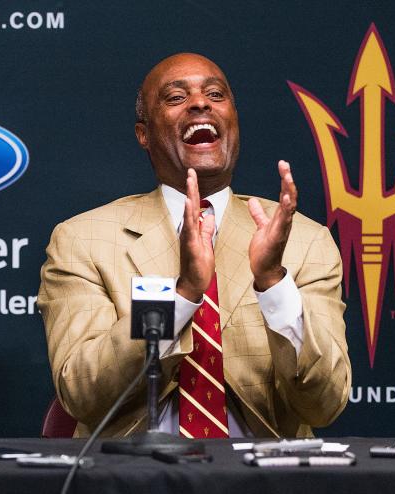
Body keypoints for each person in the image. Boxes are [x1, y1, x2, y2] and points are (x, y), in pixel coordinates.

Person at [38, 53, 350, 438]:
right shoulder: (82, 240)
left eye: (216, 94)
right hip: (133, 477)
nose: (201, 103)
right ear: (143, 134)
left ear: (234, 123)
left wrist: (272, 281)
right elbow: (82, 394)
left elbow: (325, 404)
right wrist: (183, 294)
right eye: (175, 97)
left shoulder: (304, 240)